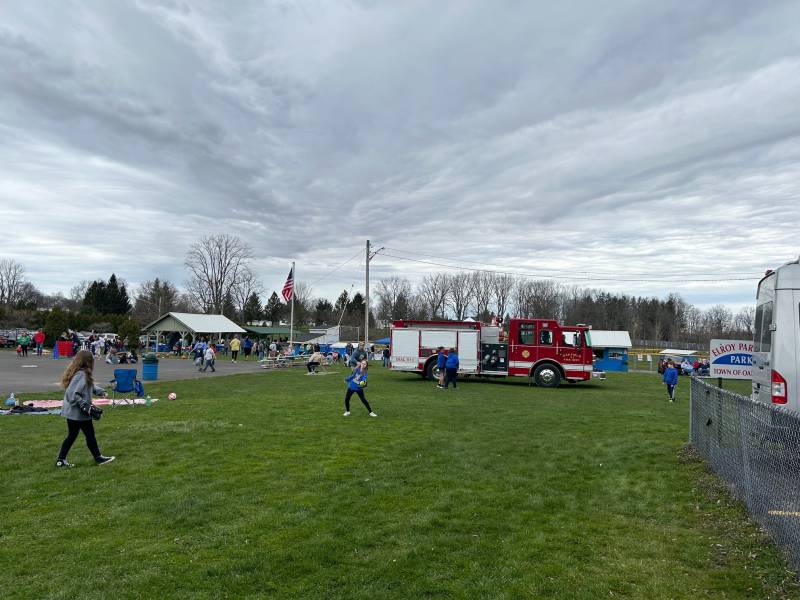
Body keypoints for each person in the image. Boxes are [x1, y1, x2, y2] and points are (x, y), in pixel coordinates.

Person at [55, 350, 115, 467]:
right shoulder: (81, 374)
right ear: (88, 362)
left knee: (72, 436)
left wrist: (100, 391)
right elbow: (72, 394)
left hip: (73, 413)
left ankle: (60, 460)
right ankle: (98, 458)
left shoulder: (81, 373)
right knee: (89, 434)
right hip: (78, 413)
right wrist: (83, 404)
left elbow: (88, 385)